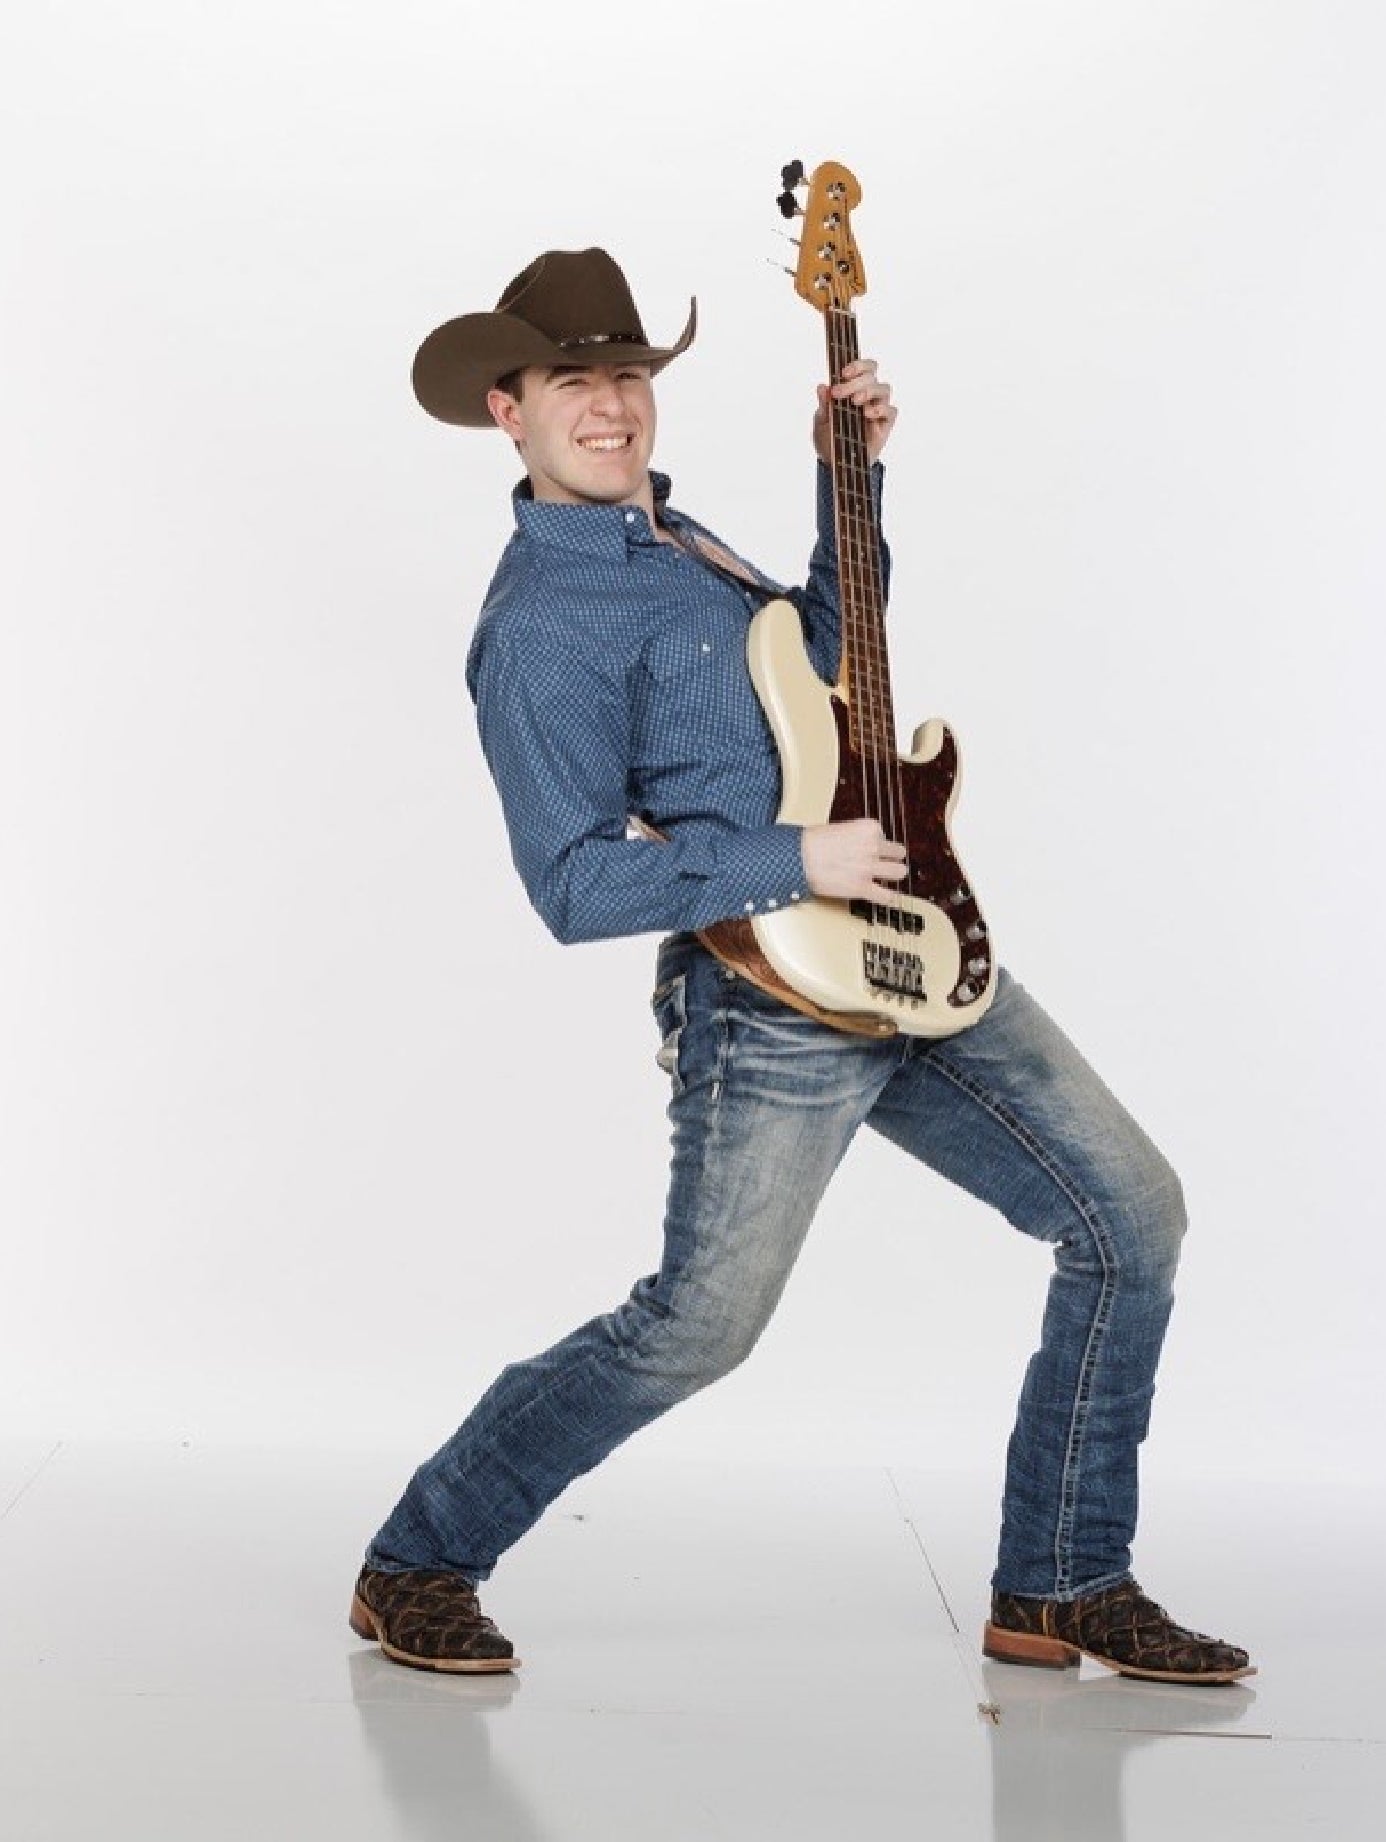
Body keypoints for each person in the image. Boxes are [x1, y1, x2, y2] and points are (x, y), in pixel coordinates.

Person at [350, 247, 1252, 1686]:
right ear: (507, 410)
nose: (612, 404)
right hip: (764, 992)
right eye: (576, 381)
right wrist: (796, 864)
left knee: (1132, 1213)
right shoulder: (537, 628)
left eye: (630, 376)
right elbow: (573, 884)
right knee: (699, 1327)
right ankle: (419, 1558)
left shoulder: (684, 544)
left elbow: (829, 664)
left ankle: (1064, 1578)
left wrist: (853, 479)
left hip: (913, 941)